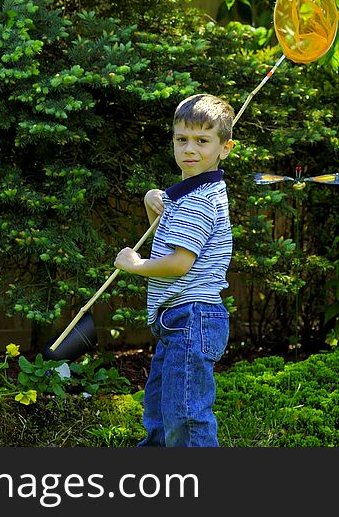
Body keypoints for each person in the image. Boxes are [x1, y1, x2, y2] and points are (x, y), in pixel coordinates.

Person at [114, 93, 234, 447]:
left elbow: (180, 263)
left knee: (185, 415)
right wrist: (157, 207)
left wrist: (135, 266)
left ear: (225, 148)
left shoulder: (200, 200)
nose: (189, 149)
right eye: (182, 139)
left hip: (191, 318)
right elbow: (172, 237)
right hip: (180, 320)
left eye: (202, 141)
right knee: (159, 411)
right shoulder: (190, 195)